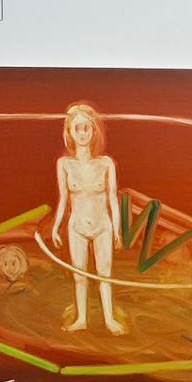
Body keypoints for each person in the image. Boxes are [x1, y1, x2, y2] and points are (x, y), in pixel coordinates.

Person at [51, 102, 125, 335]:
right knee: (80, 275)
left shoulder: (106, 163)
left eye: (87, 128)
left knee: (105, 274)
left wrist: (116, 229)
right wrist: (55, 227)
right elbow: (63, 198)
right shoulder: (64, 164)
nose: (82, 133)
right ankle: (81, 319)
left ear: (94, 131)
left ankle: (109, 319)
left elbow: (112, 198)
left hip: (102, 226)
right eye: (78, 128)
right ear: (69, 132)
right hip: (76, 227)